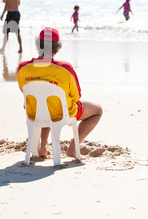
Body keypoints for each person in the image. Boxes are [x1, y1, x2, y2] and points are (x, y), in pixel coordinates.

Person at [17, 27, 102, 159]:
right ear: (57, 47)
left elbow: (24, 90)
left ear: (38, 44)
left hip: (35, 112)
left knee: (45, 101)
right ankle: (73, 149)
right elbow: (76, 96)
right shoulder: (65, 68)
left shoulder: (23, 67)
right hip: (61, 113)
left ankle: (43, 146)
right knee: (97, 110)